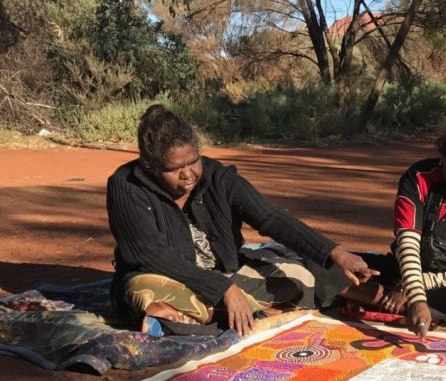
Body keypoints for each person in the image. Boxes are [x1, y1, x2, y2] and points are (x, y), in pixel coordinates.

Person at [107, 104, 377, 337]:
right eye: (174, 169)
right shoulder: (126, 186)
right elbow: (150, 256)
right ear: (150, 166)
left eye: (192, 162)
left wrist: (335, 252)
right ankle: (227, 311)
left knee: (300, 275)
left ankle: (206, 316)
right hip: (165, 278)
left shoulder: (218, 177)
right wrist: (224, 289)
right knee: (142, 292)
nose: (187, 174)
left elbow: (271, 218)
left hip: (228, 274)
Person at [341, 94, 446, 339]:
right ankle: (394, 302)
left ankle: (381, 299)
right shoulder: (419, 177)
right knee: (335, 266)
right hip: (404, 270)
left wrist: (415, 289)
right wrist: (415, 291)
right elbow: (408, 244)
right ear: (442, 157)